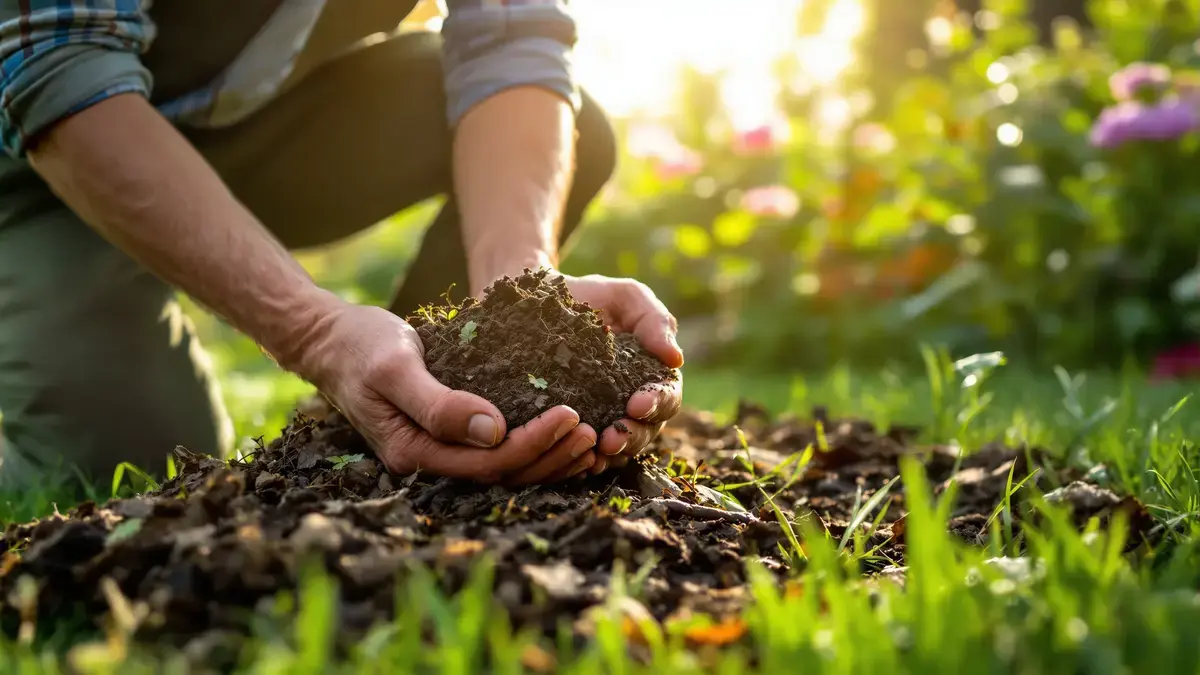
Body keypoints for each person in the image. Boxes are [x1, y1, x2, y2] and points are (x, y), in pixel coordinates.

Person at [0, 0, 684, 490]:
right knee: (127, 466)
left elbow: (513, 37)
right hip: (45, 150)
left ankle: (409, 406)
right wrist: (316, 331)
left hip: (267, 120)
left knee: (574, 125)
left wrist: (523, 296)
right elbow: (56, 55)